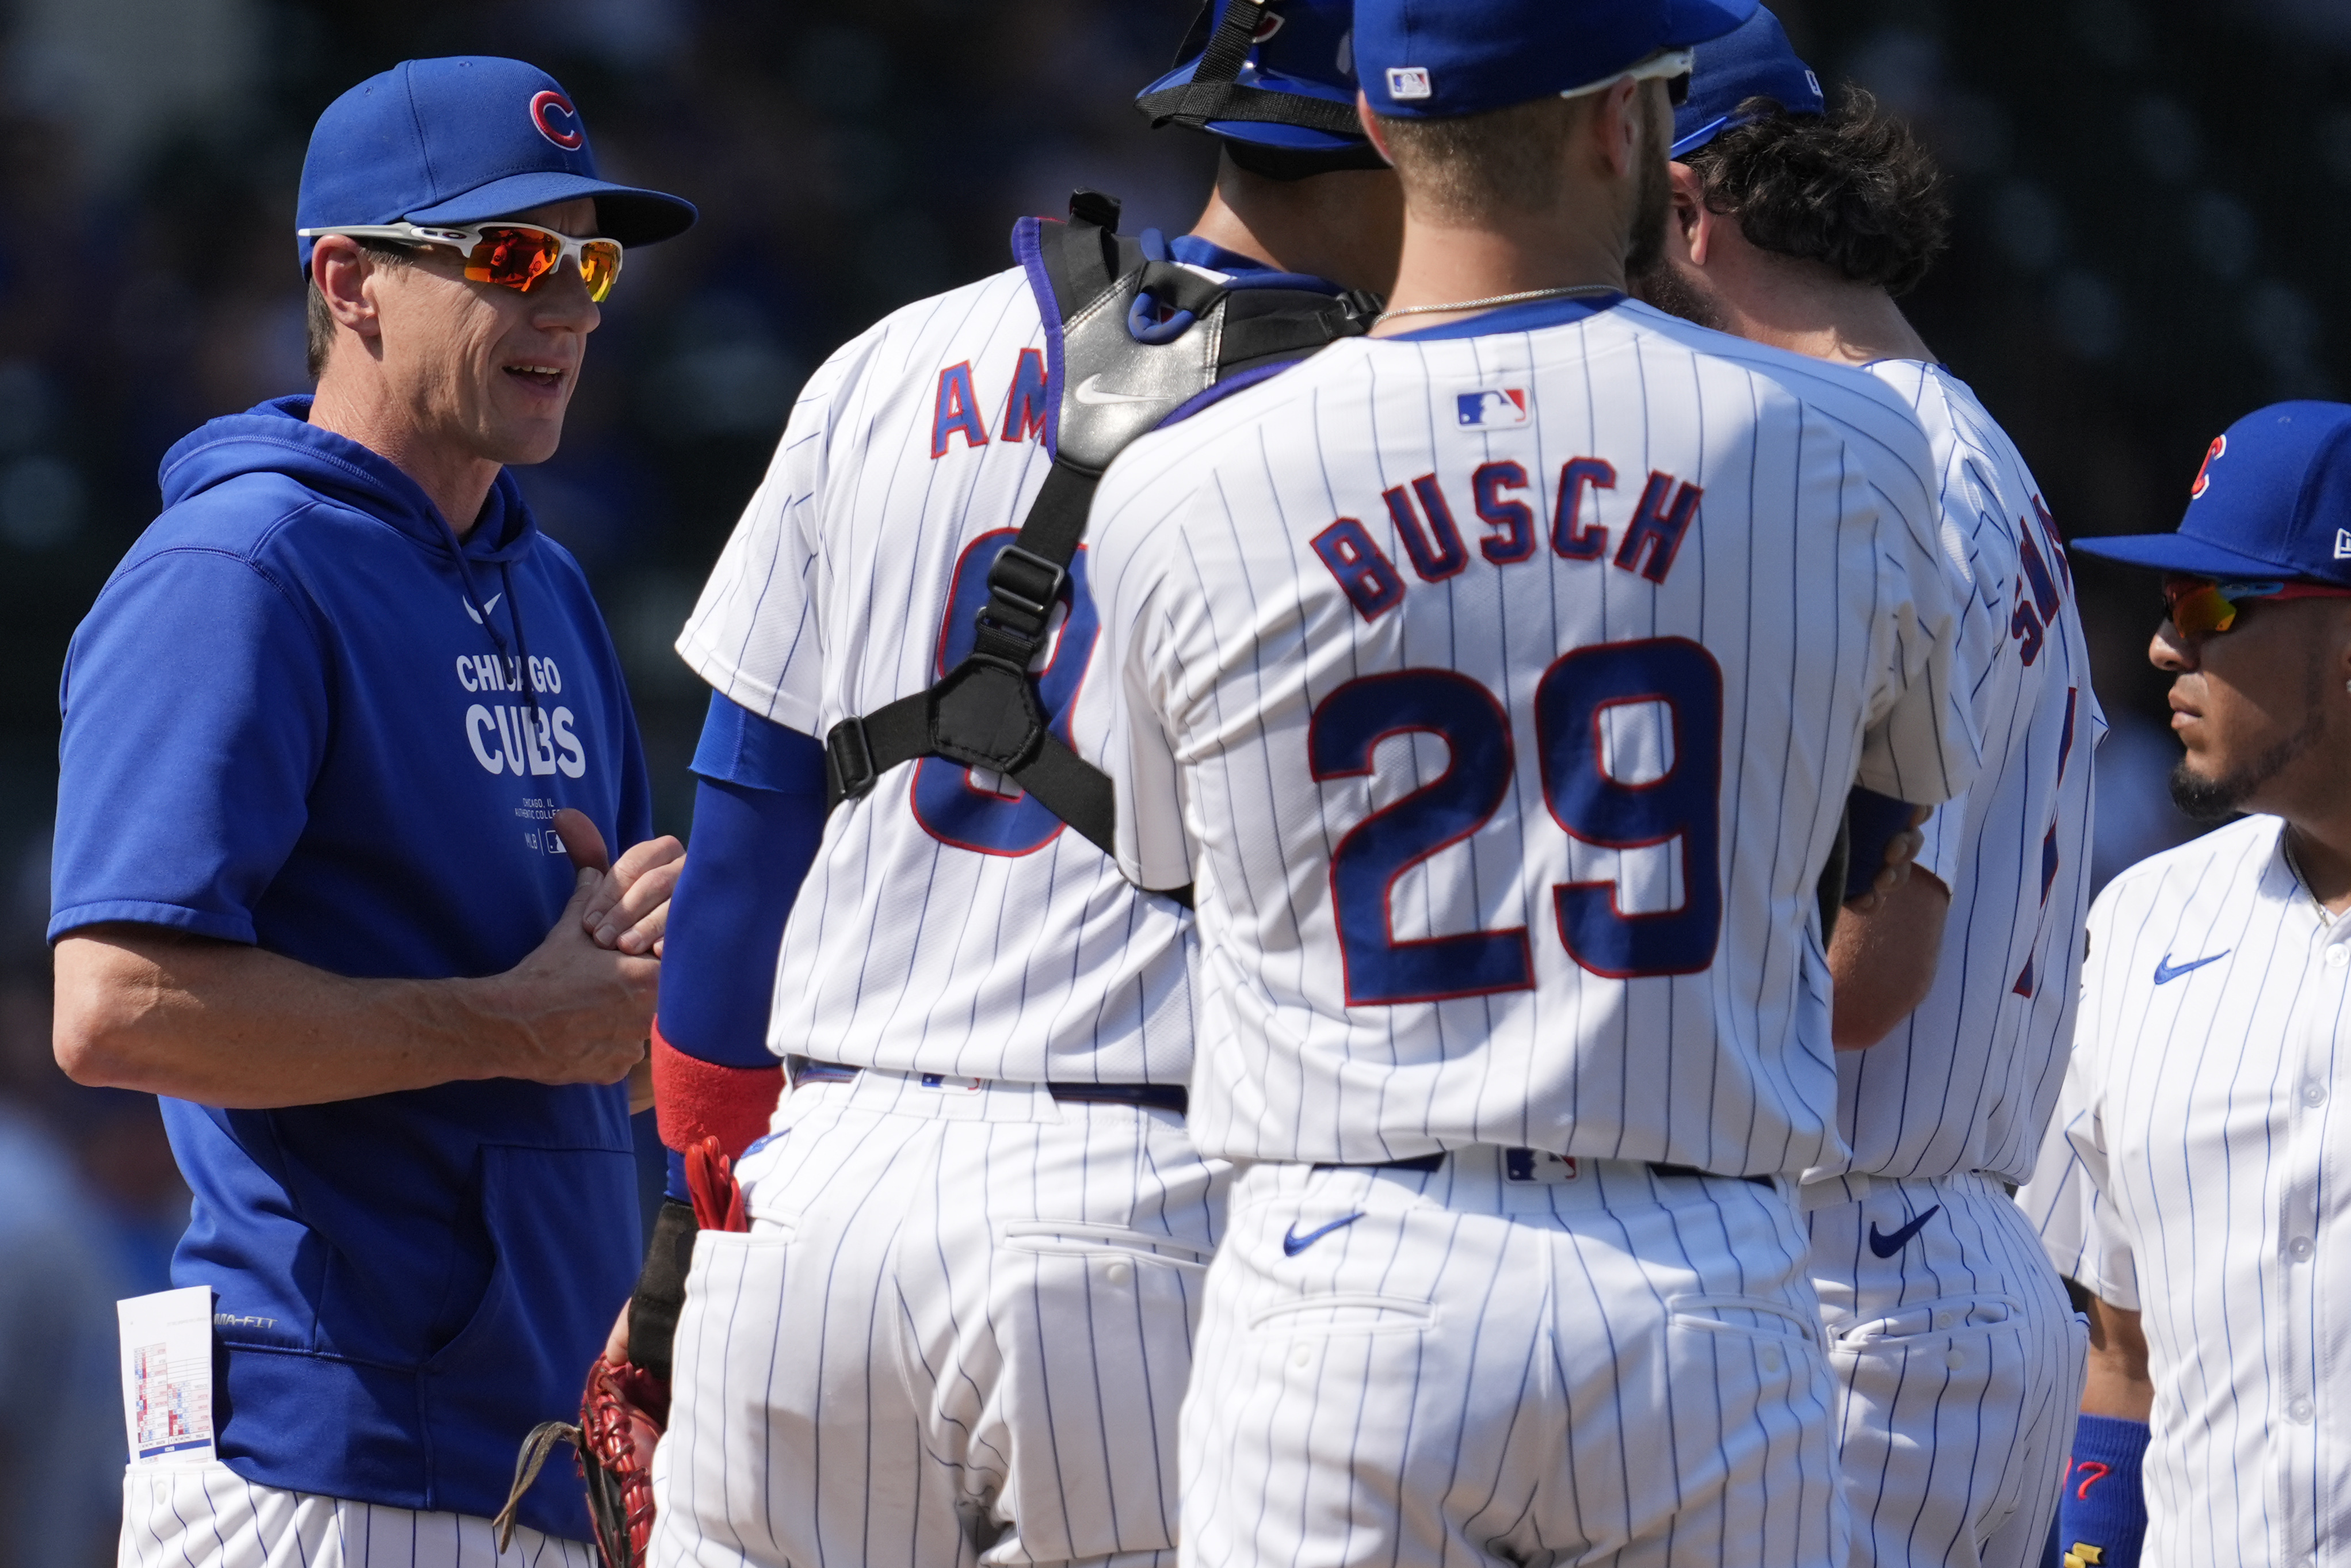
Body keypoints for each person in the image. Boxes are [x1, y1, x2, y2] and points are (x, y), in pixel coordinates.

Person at [1080, 0, 1987, 1559]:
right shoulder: (1845, 442)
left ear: (1374, 123)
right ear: (1616, 123)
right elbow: (1877, 835)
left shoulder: (1178, 477)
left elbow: (1168, 863)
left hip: (1348, 1262)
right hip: (1699, 1266)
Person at [638, 5, 1399, 1565]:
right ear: (1407, 135)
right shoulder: (1376, 428)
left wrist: (683, 1242)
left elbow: (746, 822)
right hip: (1133, 1197)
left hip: (811, 1192)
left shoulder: (888, 358)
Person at [49, 56, 694, 1566]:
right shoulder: (240, 567)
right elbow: (113, 1007)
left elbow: (580, 1037)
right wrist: (509, 1021)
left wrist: (651, 996)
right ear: (347, 279)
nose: (569, 309)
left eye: (589, 261)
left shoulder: (546, 581)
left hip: (536, 1453)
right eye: (514, 256)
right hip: (318, 1454)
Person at [1631, 13, 2101, 1566]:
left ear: (1688, 206)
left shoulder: (1882, 470)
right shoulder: (1949, 437)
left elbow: (1863, 965)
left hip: (1860, 1279)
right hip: (1916, 1261)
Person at [2017, 402, 2351, 1568]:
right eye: (2168, 609)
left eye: (2214, 607)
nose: (2168, 647)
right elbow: (2121, 1347)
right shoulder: (2142, 921)